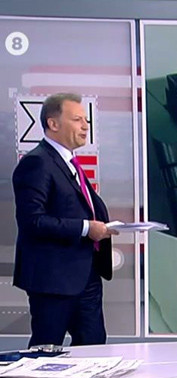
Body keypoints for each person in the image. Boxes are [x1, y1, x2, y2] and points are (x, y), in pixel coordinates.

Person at [12, 93, 118, 347]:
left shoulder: (69, 163)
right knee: (46, 348)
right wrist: (86, 228)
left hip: (86, 274)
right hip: (53, 279)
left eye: (86, 120)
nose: (85, 126)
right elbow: (32, 221)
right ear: (53, 123)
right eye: (77, 120)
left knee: (93, 346)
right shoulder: (37, 163)